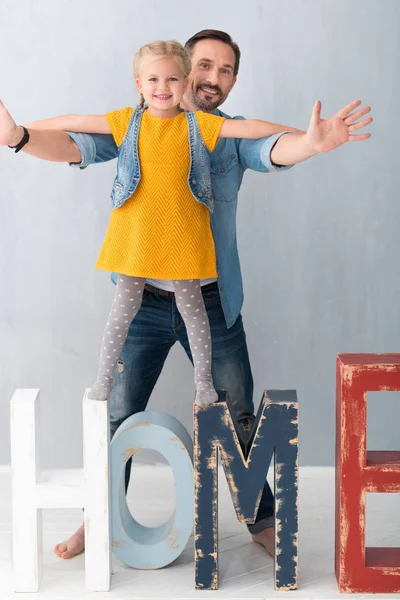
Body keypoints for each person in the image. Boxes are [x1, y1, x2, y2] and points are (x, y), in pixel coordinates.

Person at [0, 29, 372, 561]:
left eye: (226, 71)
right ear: (181, 70)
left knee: (237, 410)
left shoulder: (222, 132)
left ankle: (260, 519)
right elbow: (72, 142)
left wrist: (312, 142)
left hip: (212, 298)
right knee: (117, 413)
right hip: (144, 302)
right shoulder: (138, 124)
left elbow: (272, 147)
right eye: (205, 66)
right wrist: (17, 137)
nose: (213, 79)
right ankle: (97, 517)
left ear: (233, 80)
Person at [20, 39, 303, 408]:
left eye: (225, 70)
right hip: (138, 250)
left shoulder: (202, 126)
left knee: (205, 338)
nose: (163, 87)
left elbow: (257, 135)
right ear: (140, 83)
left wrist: (306, 137)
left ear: (182, 82)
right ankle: (103, 380)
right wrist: (19, 133)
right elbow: (72, 127)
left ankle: (204, 384)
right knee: (118, 361)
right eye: (153, 79)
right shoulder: (128, 123)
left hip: (190, 256)